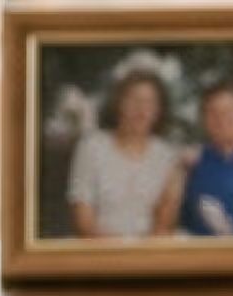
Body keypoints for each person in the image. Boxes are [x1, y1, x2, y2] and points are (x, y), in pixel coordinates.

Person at [64, 69, 188, 240]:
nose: (141, 109)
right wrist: (119, 254)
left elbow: (164, 223)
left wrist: (142, 256)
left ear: (159, 110)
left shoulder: (167, 155)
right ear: (119, 103)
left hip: (149, 250)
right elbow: (84, 221)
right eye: (134, 100)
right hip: (98, 249)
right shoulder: (91, 147)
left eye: (150, 102)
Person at [177, 78, 233, 237]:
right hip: (203, 255)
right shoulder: (192, 163)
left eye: (230, 111)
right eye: (213, 112)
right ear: (203, 118)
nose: (222, 119)